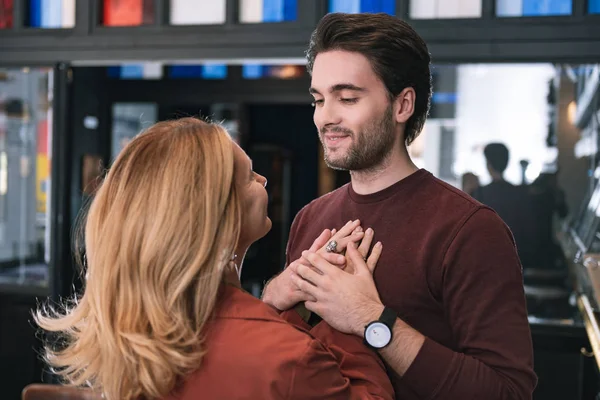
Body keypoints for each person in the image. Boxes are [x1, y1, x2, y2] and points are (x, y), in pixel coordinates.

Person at [262, 13, 537, 400]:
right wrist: (275, 294)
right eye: (319, 100)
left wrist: (370, 319)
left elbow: (507, 392)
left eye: (347, 98)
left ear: (402, 104)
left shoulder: (469, 229)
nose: (326, 117)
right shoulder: (311, 218)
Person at [34, 118, 394, 400]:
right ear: (218, 212)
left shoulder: (129, 333)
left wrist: (276, 307)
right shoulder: (288, 357)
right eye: (250, 175)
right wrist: (343, 312)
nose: (264, 179)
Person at [473, 142, 536, 268]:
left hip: (487, 261)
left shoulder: (479, 194)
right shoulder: (521, 193)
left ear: (488, 164)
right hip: (518, 260)